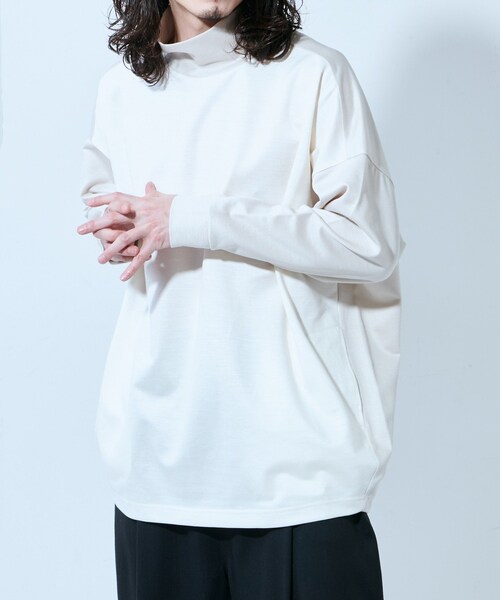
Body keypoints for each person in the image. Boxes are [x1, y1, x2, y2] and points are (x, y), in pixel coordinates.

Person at [76, 1, 406, 598]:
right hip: (158, 470)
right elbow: (108, 207)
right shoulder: (120, 90)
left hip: (302, 479)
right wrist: (121, 230)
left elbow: (368, 243)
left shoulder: (315, 73)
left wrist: (191, 217)